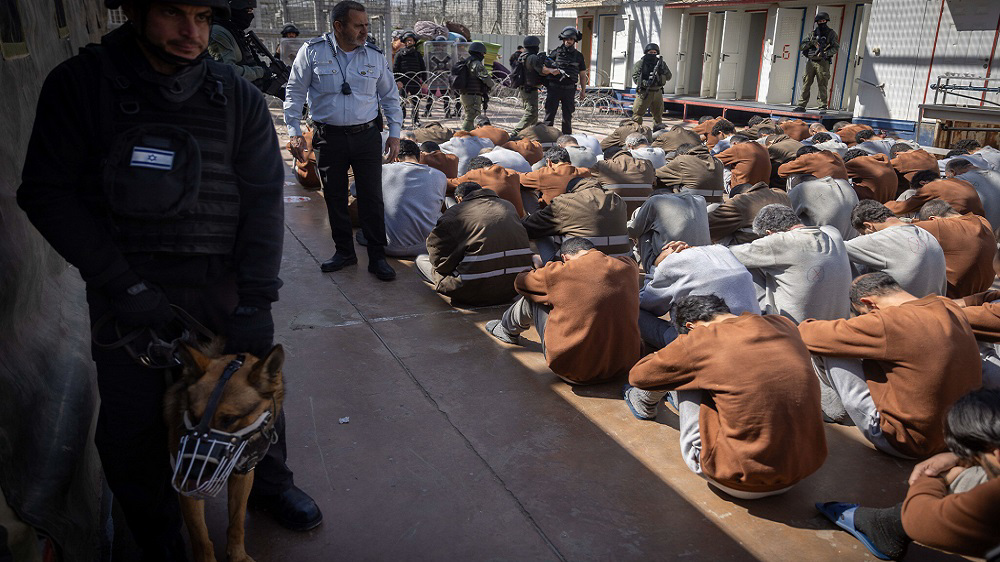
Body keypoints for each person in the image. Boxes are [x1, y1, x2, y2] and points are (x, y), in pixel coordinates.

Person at [17, 0, 323, 556]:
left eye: (203, 16)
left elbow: (262, 203)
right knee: (133, 428)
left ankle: (270, 486)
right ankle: (158, 535)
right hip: (126, 292)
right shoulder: (81, 86)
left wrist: (257, 300)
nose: (192, 32)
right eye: (172, 13)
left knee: (254, 402)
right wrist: (121, 283)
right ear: (132, 11)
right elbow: (45, 192)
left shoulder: (235, 96)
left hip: (222, 288)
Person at [624, 295, 827, 499]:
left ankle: (644, 403)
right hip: (800, 471)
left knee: (684, 373)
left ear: (691, 327)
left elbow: (639, 376)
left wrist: (683, 347)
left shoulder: (702, 339)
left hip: (739, 479)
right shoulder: (783, 324)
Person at [799, 272, 982, 458]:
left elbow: (807, 334)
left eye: (863, 315)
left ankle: (836, 412)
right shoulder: (950, 307)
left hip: (909, 442)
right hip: (959, 436)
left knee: (829, 345)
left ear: (870, 304)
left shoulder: (888, 322)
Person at [285, 0, 403, 281]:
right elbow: (295, 93)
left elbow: (389, 97)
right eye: (358, 25)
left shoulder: (374, 55)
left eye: (366, 25)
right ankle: (344, 253)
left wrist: (395, 134)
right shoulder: (312, 53)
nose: (364, 30)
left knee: (372, 198)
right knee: (335, 196)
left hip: (366, 137)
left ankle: (377, 257)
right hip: (328, 138)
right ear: (339, 26)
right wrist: (293, 131)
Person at [816, 388, 1000, 561]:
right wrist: (960, 458)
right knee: (971, 476)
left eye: (976, 456)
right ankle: (889, 525)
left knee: (963, 478)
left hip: (901, 440)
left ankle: (887, 526)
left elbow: (916, 519)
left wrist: (933, 477)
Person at [485, 237, 641, 385]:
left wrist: (542, 267)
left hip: (575, 371)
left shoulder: (559, 272)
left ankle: (506, 330)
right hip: (623, 366)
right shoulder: (628, 266)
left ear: (565, 258)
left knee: (532, 297)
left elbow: (521, 282)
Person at [730, 204, 853, 323]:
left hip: (795, 329)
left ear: (769, 233)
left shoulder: (780, 242)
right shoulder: (833, 233)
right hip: (839, 323)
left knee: (746, 265)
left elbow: (728, 254)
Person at [416, 181, 533, 306]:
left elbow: (438, 256)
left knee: (421, 261)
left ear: (459, 198)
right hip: (514, 287)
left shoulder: (455, 213)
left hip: (472, 292)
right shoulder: (508, 206)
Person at [636, 244, 759, 349]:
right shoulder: (723, 251)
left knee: (632, 311)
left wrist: (656, 267)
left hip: (708, 343)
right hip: (751, 329)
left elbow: (644, 303)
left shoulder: (673, 263)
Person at [846, 200, 947, 297]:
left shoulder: (882, 239)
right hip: (935, 304)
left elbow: (836, 246)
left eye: (863, 234)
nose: (864, 237)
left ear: (868, 226)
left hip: (904, 310)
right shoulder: (925, 233)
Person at [521, 177, 630, 261]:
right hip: (618, 266)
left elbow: (529, 228)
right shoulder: (618, 201)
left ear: (570, 191)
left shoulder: (566, 202)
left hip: (579, 269)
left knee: (541, 231)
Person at [377, 139, 447, 256]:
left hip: (387, 247)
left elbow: (356, 191)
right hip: (426, 247)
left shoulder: (383, 170)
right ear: (419, 156)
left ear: (394, 157)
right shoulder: (440, 176)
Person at [913, 199, 995, 298]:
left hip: (951, 297)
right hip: (980, 293)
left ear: (932, 220)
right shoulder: (982, 221)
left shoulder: (941, 226)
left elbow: (900, 227)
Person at [627, 191, 711, 272]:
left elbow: (633, 232)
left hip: (669, 263)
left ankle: (640, 266)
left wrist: (636, 215)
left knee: (642, 225)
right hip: (703, 260)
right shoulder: (700, 200)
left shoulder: (654, 201)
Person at [708, 182, 792, 245]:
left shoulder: (741, 201)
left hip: (754, 250)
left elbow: (708, 226)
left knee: (713, 207)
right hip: (786, 244)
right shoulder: (781, 194)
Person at [884, 171, 986, 220]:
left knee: (908, 195)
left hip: (955, 225)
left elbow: (901, 207)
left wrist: (882, 207)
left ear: (923, 183)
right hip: (977, 222)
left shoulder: (933, 187)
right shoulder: (963, 183)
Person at [544, 26, 588, 134]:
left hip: (569, 90)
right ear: (563, 39)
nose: (568, 41)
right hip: (554, 88)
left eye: (571, 39)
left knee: (567, 117)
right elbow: (544, 68)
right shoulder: (556, 53)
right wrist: (551, 70)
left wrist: (583, 90)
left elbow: (582, 75)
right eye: (566, 39)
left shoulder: (579, 56)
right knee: (549, 116)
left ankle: (567, 140)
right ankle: (546, 137)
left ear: (574, 40)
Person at [447, 156, 525, 216]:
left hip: (492, 222)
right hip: (518, 221)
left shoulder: (476, 174)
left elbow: (448, 184)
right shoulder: (512, 173)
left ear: (473, 170)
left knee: (448, 196)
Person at [511, 36, 557, 137]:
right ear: (535, 45)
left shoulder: (523, 55)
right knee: (530, 113)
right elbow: (542, 71)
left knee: (534, 115)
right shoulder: (532, 57)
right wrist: (552, 70)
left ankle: (530, 134)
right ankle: (515, 133)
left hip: (525, 88)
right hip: (529, 89)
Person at [788, 176, 859, 240]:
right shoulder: (844, 183)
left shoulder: (801, 189)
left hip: (827, 248)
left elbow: (782, 216)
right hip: (853, 243)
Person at [794, 12, 839, 112]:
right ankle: (801, 105)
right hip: (811, 62)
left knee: (822, 84)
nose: (821, 23)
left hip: (823, 62)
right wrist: (811, 43)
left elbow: (835, 47)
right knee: (806, 82)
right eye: (819, 21)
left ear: (826, 21)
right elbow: (801, 46)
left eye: (823, 21)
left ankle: (822, 106)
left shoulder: (831, 33)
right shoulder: (812, 34)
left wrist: (825, 53)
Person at [519, 147, 592, 208]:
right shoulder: (585, 172)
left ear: (549, 162)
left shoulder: (544, 174)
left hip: (552, 218)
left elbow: (517, 178)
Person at [654, 143, 726, 204]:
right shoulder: (718, 162)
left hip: (691, 207)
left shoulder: (683, 160)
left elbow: (654, 176)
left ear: (680, 155)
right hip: (716, 207)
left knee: (659, 191)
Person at [592, 147, 656, 215]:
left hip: (615, 215)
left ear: (607, 159)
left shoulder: (603, 165)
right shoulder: (647, 164)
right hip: (643, 214)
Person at [947, 157, 1000, 230]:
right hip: (994, 235)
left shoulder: (958, 180)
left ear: (953, 172)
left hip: (976, 232)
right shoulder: (997, 174)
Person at [453, 41, 495, 131]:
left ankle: (468, 136)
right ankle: (461, 136)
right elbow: (485, 78)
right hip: (473, 95)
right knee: (471, 117)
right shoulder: (476, 64)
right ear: (479, 53)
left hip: (466, 94)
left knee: (471, 117)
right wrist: (492, 84)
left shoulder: (467, 61)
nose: (483, 55)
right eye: (483, 53)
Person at [630, 43, 671, 126]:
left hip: (657, 92)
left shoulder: (661, 64)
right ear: (646, 52)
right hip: (644, 92)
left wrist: (663, 72)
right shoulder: (640, 64)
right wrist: (645, 83)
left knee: (658, 114)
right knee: (637, 114)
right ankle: (636, 131)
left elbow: (669, 77)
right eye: (650, 53)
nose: (652, 54)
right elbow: (635, 77)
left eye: (654, 53)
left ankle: (657, 130)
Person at [393, 31, 427, 127]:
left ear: (414, 41)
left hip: (415, 81)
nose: (409, 42)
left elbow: (423, 68)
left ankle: (415, 120)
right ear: (404, 41)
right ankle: (401, 121)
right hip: (403, 81)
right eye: (407, 40)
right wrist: (398, 80)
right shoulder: (399, 54)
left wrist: (424, 82)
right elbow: (395, 68)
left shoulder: (417, 54)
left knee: (416, 102)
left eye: (411, 40)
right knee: (402, 103)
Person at [777, 146, 849, 183]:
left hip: (824, 196)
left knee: (793, 176)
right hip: (846, 193)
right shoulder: (836, 155)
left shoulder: (808, 158)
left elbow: (781, 171)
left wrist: (798, 162)